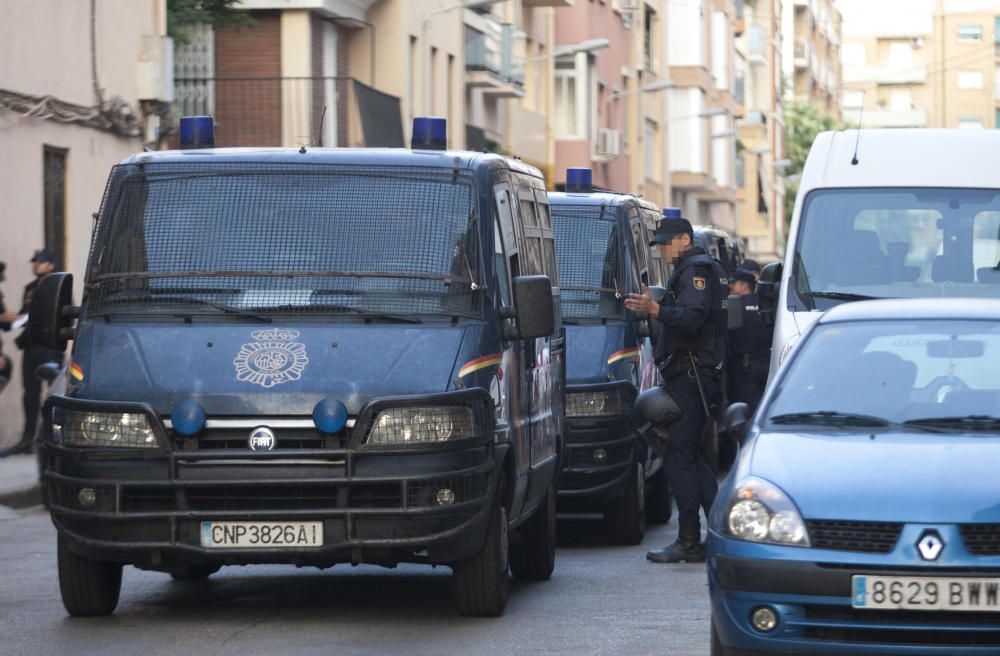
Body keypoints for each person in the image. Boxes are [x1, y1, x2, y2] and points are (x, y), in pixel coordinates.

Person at [625, 213, 728, 564]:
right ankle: (715, 530)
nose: (664, 250)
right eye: (660, 245)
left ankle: (689, 540)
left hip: (692, 376)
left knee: (678, 457)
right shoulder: (691, 269)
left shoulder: (696, 271)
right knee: (688, 455)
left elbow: (692, 319)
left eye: (667, 243)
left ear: (685, 239)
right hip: (690, 375)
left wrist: (656, 308)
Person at [6, 250, 64, 455]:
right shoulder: (30, 288)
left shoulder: (59, 285)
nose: (36, 265)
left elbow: (62, 317)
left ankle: (51, 439)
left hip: (49, 347)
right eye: (35, 262)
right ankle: (27, 439)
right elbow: (23, 317)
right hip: (31, 347)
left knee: (53, 394)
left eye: (40, 262)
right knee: (30, 393)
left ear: (50, 264)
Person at [726, 268, 771, 413]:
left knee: (747, 410)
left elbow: (728, 337)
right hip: (768, 363)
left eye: (734, 283)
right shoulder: (765, 303)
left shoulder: (733, 305)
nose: (730, 286)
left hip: (744, 367)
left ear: (744, 285)